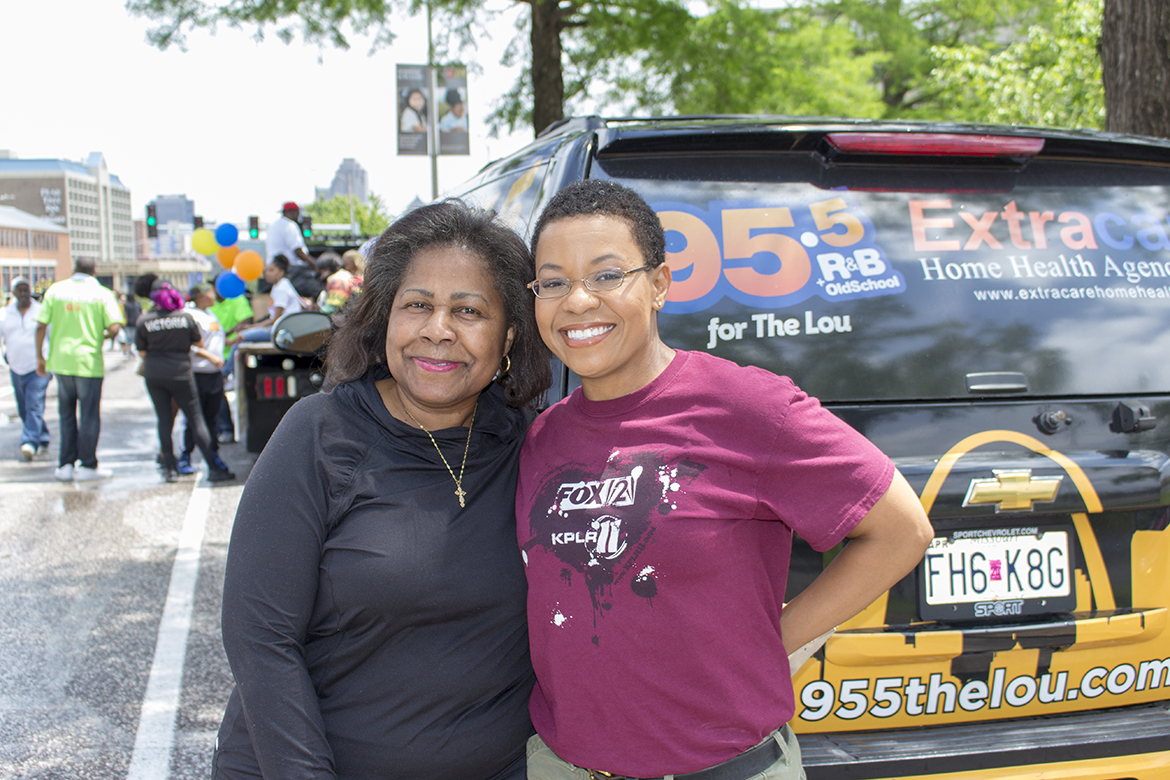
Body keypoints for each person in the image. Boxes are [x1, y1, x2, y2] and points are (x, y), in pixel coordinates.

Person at [517, 180, 934, 780]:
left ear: (659, 284)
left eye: (608, 275)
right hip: (562, 766)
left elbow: (902, 530)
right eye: (553, 282)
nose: (578, 301)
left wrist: (776, 639)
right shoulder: (541, 439)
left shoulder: (746, 406)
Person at [213, 200, 551, 780]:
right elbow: (262, 641)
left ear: (510, 335)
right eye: (416, 305)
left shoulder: (537, 446)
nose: (436, 330)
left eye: (468, 311)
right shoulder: (318, 435)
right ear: (385, 319)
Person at [136, 281, 234, 484]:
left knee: (164, 421)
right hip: (181, 373)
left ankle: (170, 469)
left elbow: (142, 352)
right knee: (196, 420)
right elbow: (198, 343)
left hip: (155, 375)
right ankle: (213, 467)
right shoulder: (184, 318)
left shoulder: (144, 321)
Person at [35, 257, 124, 482]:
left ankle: (65, 464)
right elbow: (114, 327)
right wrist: (101, 336)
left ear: (74, 268)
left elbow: (41, 324)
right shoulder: (102, 293)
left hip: (61, 360)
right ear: (94, 270)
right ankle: (87, 465)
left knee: (66, 414)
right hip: (88, 361)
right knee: (89, 416)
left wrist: (39, 356)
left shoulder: (56, 290)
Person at [177, 282, 229, 476]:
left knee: (211, 418)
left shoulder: (210, 314)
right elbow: (188, 345)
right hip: (198, 374)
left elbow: (214, 340)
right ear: (199, 296)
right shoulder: (189, 315)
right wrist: (210, 357)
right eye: (210, 292)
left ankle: (213, 456)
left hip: (214, 374)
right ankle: (185, 456)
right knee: (194, 420)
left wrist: (233, 340)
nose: (214, 295)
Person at [1, 277, 51, 460]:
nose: (23, 294)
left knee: (33, 404)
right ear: (13, 292)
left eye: (26, 290)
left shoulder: (41, 311)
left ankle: (29, 441)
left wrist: (48, 360)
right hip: (16, 367)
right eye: (19, 290)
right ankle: (42, 435)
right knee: (24, 408)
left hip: (38, 367)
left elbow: (51, 335)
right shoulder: (5, 314)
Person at [122, 291, 142, 357]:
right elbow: (140, 312)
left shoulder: (127, 304)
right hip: (136, 322)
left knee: (129, 338)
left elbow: (125, 314)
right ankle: (134, 350)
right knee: (135, 338)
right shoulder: (137, 304)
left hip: (129, 323)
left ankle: (129, 350)